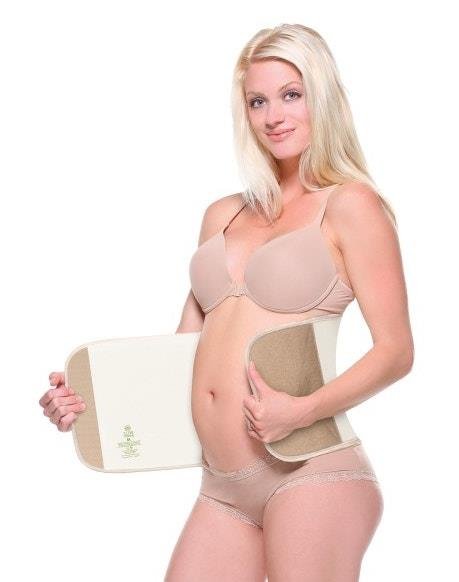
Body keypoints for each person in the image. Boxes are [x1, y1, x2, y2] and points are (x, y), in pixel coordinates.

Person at [39, 23, 414, 582]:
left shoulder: (350, 205)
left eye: (292, 94)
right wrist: (88, 403)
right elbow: (183, 357)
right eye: (257, 101)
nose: (274, 116)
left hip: (311, 473)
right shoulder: (223, 215)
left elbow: (396, 351)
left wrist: (302, 410)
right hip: (223, 491)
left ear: (322, 96)